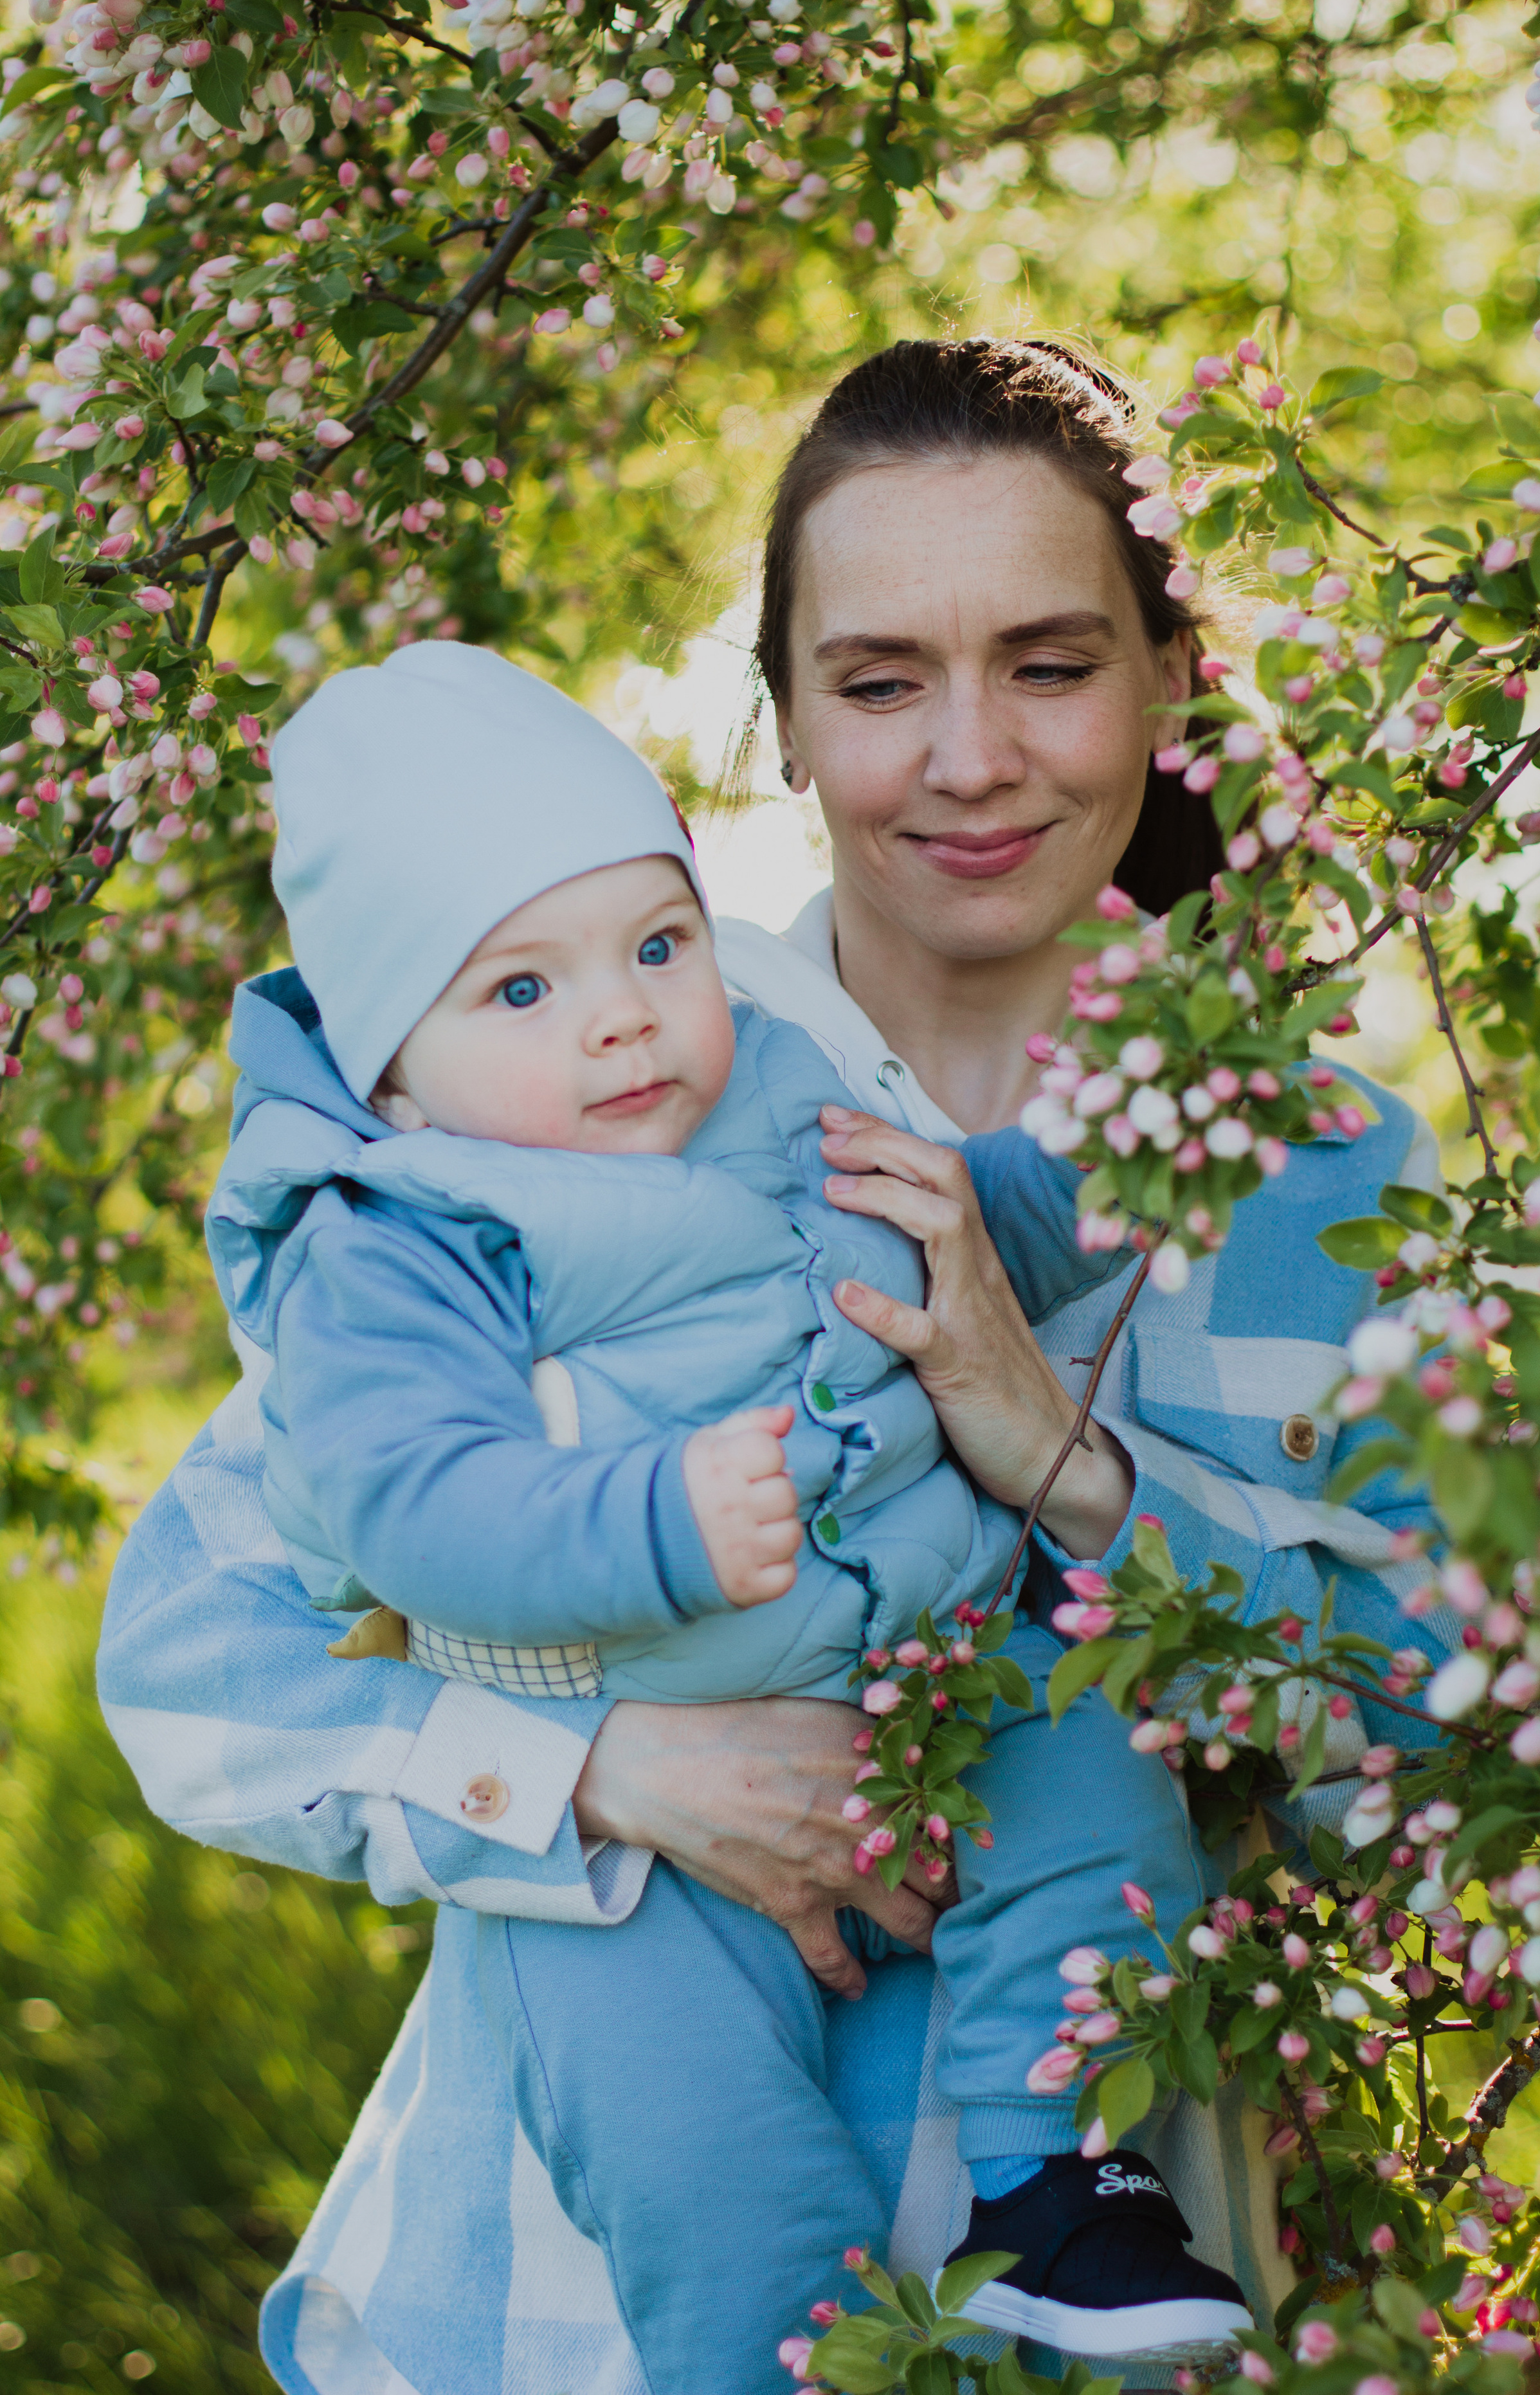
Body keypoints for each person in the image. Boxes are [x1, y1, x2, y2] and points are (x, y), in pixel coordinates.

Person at [99, 338, 1458, 2395]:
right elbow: (207, 1657)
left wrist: (1071, 1472)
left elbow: (1459, 1736)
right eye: (884, 679)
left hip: (1094, 2319)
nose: (970, 758)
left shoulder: (1342, 1188)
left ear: (1174, 682)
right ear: (790, 722)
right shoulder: (573, 1083)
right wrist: (604, 1775)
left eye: (1055, 662)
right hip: (553, 2319)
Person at [209, 636, 1253, 2382]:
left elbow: (966, 1230)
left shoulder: (779, 1084)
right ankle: (784, 2358)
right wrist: (653, 1524)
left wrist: (1124, 1141)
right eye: (520, 993)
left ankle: (1063, 2183)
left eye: (657, 945)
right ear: (398, 1073)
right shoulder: (403, 1241)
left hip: (933, 1680)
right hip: (635, 1836)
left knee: (1092, 1786)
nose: (621, 1012)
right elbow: (411, 1499)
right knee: (693, 2143)